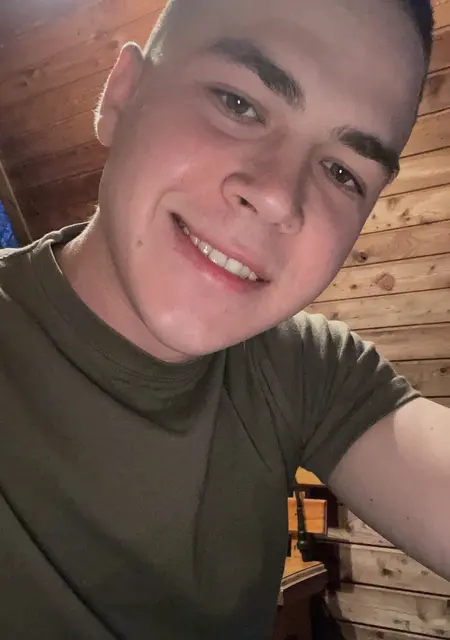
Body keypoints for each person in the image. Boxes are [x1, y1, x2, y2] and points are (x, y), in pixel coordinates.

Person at [0, 0, 446, 637]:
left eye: (342, 171)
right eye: (239, 103)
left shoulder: (305, 368)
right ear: (123, 96)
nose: (277, 196)